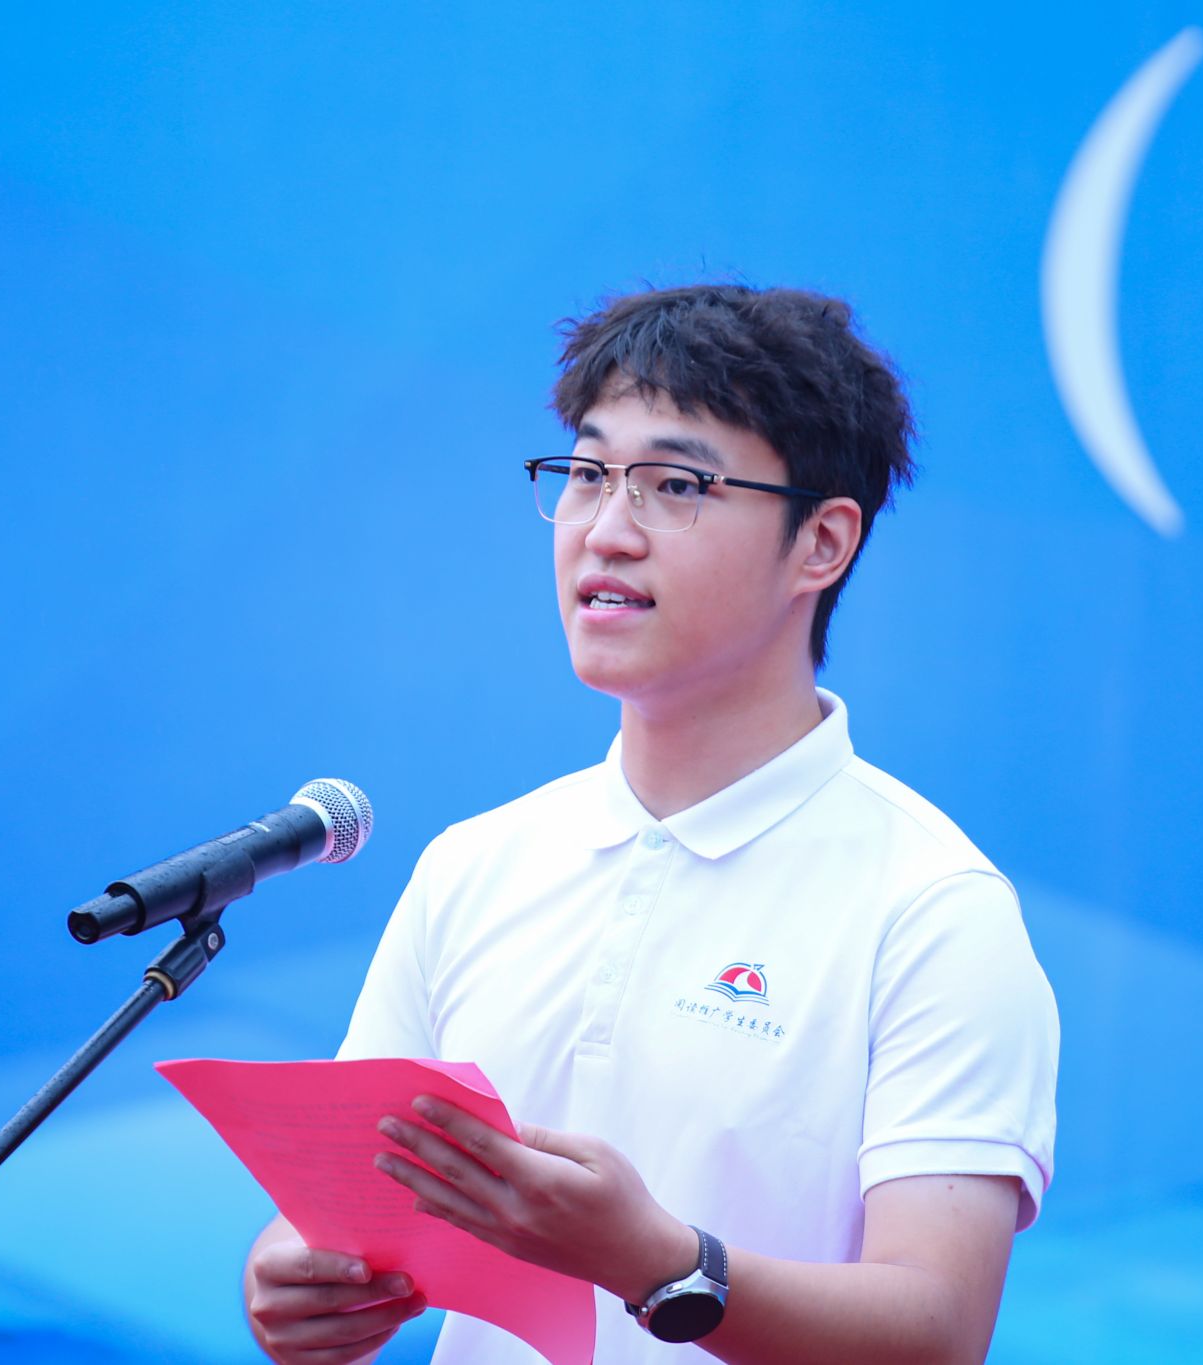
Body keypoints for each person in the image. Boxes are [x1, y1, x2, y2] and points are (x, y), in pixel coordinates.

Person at [240, 283, 1058, 1364]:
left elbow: (936, 1333)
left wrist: (659, 1262)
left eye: (674, 486)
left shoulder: (932, 909)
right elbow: (342, 1205)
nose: (605, 532)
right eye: (585, 475)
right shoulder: (476, 863)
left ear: (820, 543)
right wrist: (295, 1277)